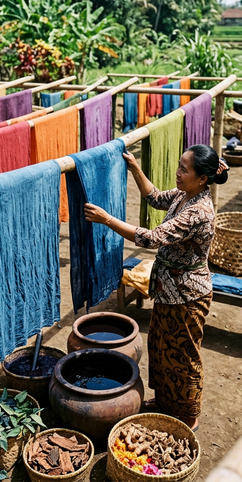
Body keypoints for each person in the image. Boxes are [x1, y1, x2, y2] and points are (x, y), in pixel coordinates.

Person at [83, 144, 229, 431]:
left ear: (202, 179)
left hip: (188, 296)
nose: (177, 173)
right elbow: (154, 197)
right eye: (179, 165)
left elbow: (151, 239)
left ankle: (188, 414)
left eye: (184, 170)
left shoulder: (198, 211)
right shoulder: (184, 195)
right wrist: (135, 167)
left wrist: (106, 219)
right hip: (168, 290)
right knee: (162, 348)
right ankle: (165, 401)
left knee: (184, 354)